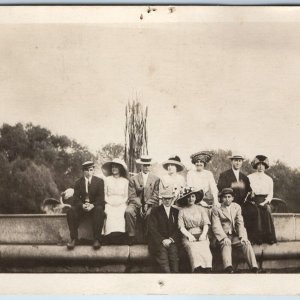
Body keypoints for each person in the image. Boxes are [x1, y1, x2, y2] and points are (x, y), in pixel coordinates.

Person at [211, 188, 258, 273]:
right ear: (221, 198)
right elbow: (216, 226)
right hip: (221, 236)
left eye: (229, 197)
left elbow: (240, 223)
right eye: (225, 197)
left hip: (234, 236)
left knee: (246, 243)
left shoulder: (236, 207)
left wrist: (243, 237)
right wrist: (224, 237)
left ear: (233, 198)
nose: (227, 199)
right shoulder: (217, 209)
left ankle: (254, 267)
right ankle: (228, 267)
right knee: (226, 243)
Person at [66, 161, 105, 250]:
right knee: (71, 211)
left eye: (91, 170)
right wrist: (82, 205)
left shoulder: (99, 182)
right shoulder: (78, 182)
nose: (89, 172)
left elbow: (100, 198)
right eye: (86, 170)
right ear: (83, 171)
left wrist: (92, 205)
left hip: (94, 207)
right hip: (82, 207)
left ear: (93, 170)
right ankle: (73, 239)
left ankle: (96, 239)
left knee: (99, 210)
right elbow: (75, 198)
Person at [125, 155, 160, 245]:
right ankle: (131, 236)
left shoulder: (156, 179)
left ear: (150, 166)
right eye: (144, 165)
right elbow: (132, 195)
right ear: (141, 166)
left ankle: (148, 236)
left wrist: (147, 204)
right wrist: (140, 205)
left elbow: (156, 195)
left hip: (151, 203)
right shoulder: (133, 179)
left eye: (148, 165)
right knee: (128, 211)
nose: (146, 167)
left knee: (149, 214)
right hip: (136, 202)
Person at [177, 187, 213, 273]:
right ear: (186, 198)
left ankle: (207, 269)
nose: (190, 199)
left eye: (192, 196)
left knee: (204, 247)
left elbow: (206, 224)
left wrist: (203, 235)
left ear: (195, 197)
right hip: (188, 234)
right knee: (193, 248)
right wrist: (189, 236)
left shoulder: (201, 209)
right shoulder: (182, 211)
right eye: (188, 197)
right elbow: (181, 227)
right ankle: (197, 269)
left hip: (201, 233)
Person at [244, 155, 277, 245]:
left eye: (263, 165)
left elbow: (271, 194)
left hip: (264, 200)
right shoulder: (249, 177)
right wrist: (250, 195)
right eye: (258, 164)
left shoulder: (269, 179)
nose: (260, 166)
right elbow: (246, 191)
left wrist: (265, 202)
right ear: (255, 165)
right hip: (252, 200)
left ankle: (268, 237)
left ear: (265, 166)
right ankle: (256, 238)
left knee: (266, 210)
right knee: (255, 210)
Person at [148, 188, 180, 273]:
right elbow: (152, 229)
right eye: (165, 198)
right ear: (162, 199)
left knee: (174, 255)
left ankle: (176, 278)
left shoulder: (176, 212)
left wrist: (170, 239)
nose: (167, 201)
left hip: (171, 241)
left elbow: (179, 229)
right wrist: (162, 240)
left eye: (169, 198)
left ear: (172, 199)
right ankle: (167, 277)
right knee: (163, 257)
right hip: (158, 242)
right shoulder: (155, 211)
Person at [101, 158, 129, 244]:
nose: (114, 168)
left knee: (121, 212)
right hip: (109, 202)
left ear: (120, 168)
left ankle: (120, 237)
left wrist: (120, 202)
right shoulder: (107, 180)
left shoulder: (125, 181)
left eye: (116, 167)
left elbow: (126, 196)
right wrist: (109, 202)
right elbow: (104, 194)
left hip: (121, 203)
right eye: (113, 167)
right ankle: (108, 237)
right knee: (108, 212)